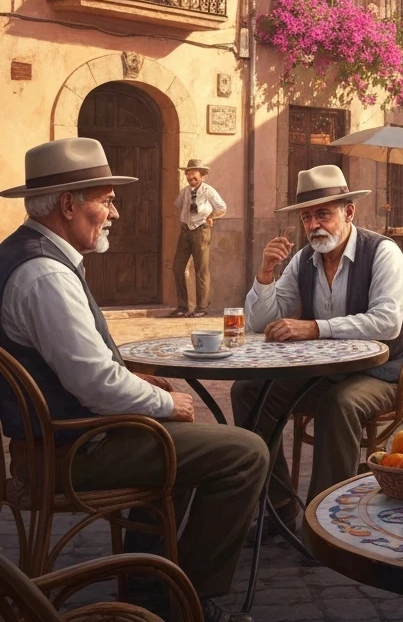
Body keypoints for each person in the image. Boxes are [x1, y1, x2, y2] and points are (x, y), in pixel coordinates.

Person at [0, 138, 268, 622]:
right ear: (67, 205)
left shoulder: (26, 256)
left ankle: (148, 584)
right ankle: (192, 602)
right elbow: (95, 382)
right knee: (244, 452)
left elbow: (80, 367)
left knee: (185, 441)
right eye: (105, 201)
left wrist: (135, 379)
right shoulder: (45, 275)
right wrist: (166, 404)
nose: (114, 214)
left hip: (54, 443)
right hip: (68, 454)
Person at [232, 164, 403, 517]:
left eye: (323, 214)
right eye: (306, 217)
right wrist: (265, 274)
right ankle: (280, 504)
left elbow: (388, 322)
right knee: (248, 390)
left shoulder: (382, 252)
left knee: (339, 403)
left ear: (349, 212)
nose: (314, 225)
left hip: (385, 373)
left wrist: (315, 327)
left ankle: (327, 521)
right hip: (326, 372)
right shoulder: (304, 259)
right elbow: (258, 323)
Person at [170, 158, 227, 318]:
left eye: (194, 177)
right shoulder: (185, 191)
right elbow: (178, 205)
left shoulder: (208, 191)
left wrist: (211, 216)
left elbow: (222, 207)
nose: (191, 179)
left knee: (201, 269)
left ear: (202, 177)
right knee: (177, 267)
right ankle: (182, 306)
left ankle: (201, 308)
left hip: (201, 231)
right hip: (186, 231)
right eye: (188, 176)